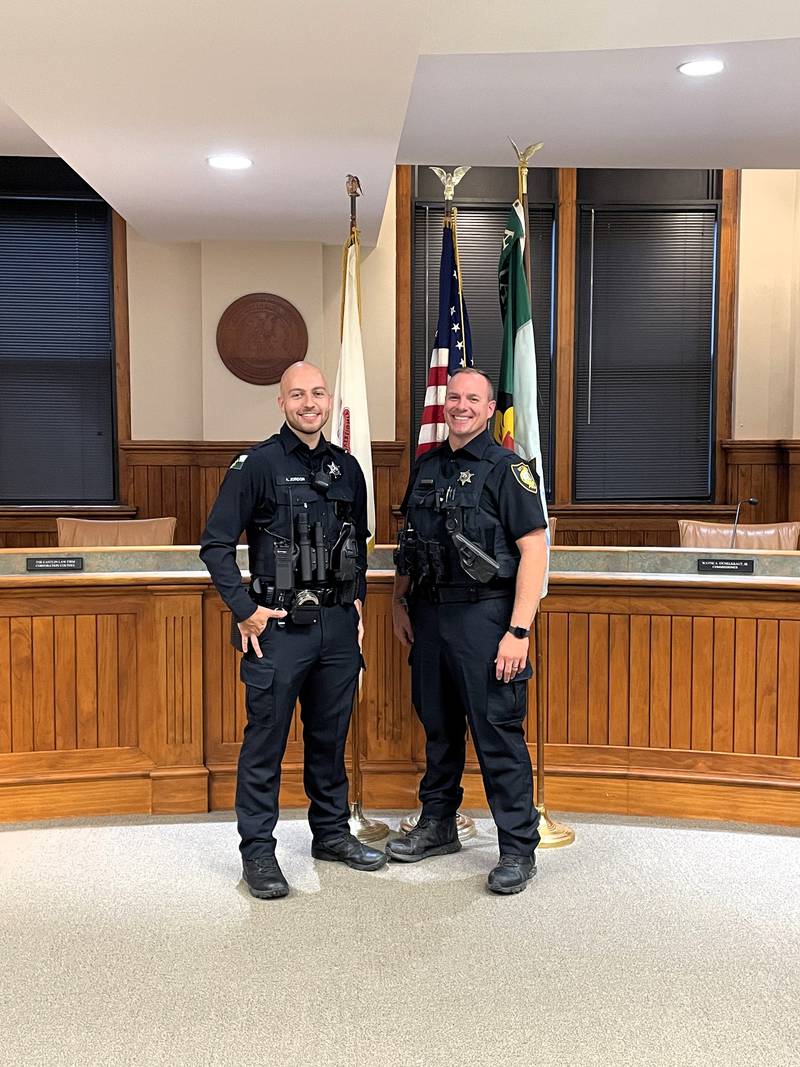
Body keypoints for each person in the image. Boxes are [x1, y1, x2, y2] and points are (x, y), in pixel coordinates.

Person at [200, 361, 387, 899]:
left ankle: (330, 835)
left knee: (329, 740)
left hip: (335, 628)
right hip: (277, 627)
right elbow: (215, 546)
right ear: (281, 403)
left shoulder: (348, 468)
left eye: (318, 393)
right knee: (266, 743)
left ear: (329, 402)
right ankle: (258, 853)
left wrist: (355, 609)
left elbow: (358, 547)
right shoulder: (255, 465)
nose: (310, 403)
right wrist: (243, 610)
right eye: (298, 394)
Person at [387, 367, 548, 894]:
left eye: (472, 399)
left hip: (487, 618)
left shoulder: (508, 469)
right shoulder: (426, 468)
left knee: (497, 733)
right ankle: (437, 826)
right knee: (437, 728)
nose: (460, 406)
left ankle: (518, 849)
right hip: (430, 615)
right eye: (453, 397)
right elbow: (410, 543)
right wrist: (397, 601)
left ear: (487, 409)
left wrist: (518, 631)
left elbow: (534, 552)